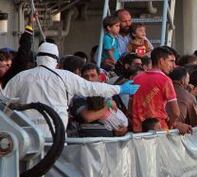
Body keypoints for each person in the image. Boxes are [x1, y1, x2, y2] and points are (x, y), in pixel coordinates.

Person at [4, 42, 139, 137]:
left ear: (37, 58)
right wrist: (119, 89)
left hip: (28, 135)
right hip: (56, 135)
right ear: (56, 60)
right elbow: (92, 88)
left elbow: (3, 102)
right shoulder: (65, 76)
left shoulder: (20, 78)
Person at [131, 46, 191, 134]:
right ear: (161, 61)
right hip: (159, 132)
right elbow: (176, 113)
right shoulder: (165, 80)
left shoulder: (137, 78)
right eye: (171, 61)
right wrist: (171, 124)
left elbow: (130, 108)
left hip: (137, 132)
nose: (173, 66)